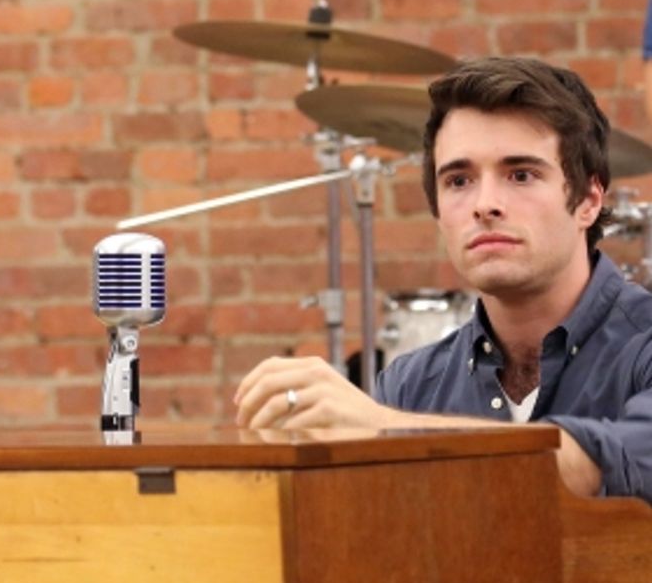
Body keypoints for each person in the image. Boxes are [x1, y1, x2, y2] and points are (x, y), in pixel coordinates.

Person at [235, 56, 652, 504]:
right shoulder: (411, 385)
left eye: (521, 175)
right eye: (459, 180)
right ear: (437, 211)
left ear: (589, 200)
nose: (485, 204)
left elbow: (607, 464)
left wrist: (384, 431)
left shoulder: (642, 345)